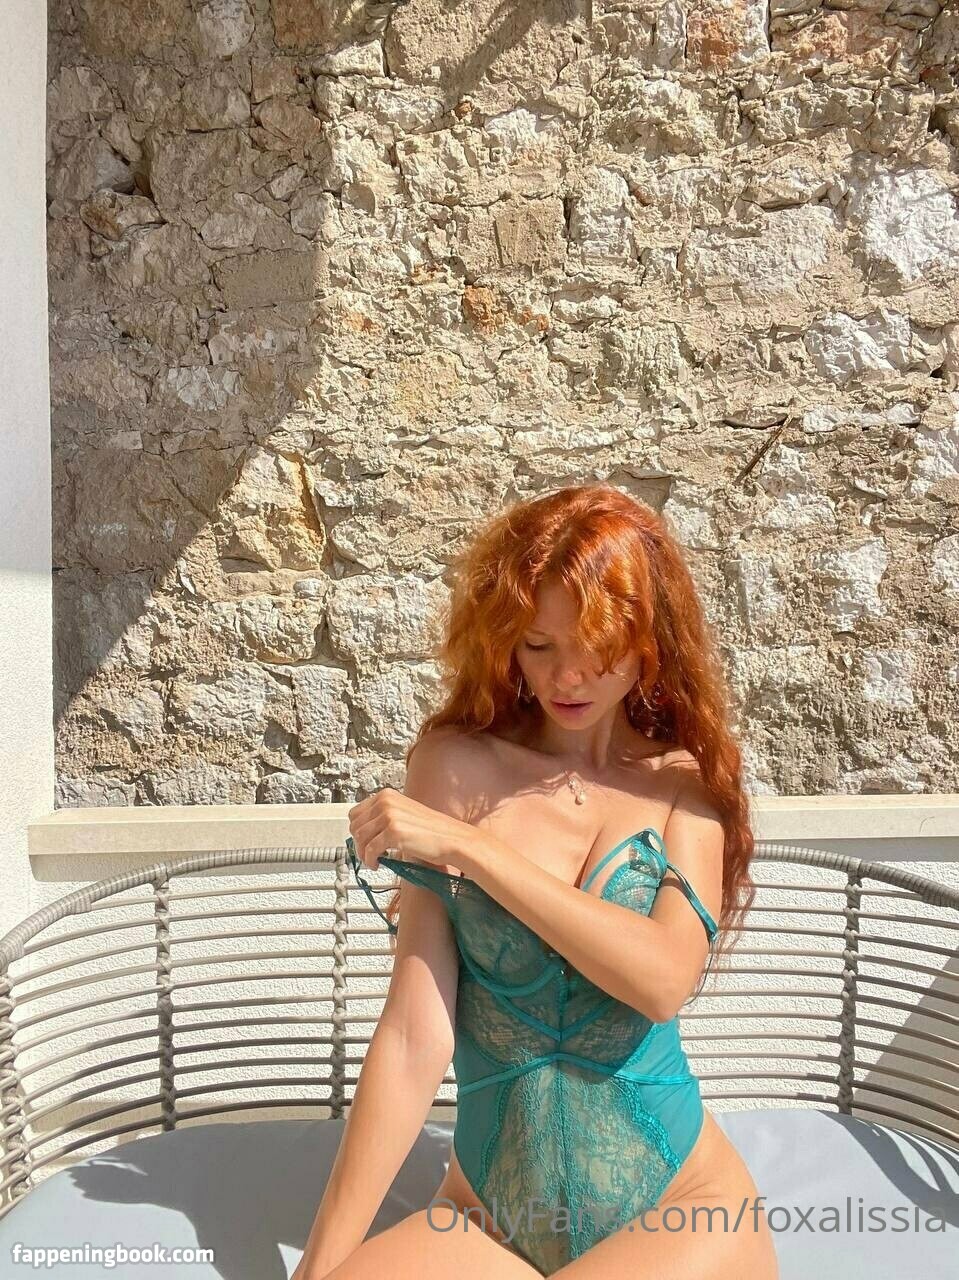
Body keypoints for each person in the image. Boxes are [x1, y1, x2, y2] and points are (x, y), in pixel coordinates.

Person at [292, 483, 779, 1280]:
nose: (568, 676)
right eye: (538, 644)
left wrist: (476, 852)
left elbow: (662, 980)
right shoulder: (453, 767)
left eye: (599, 645)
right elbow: (414, 1036)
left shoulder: (683, 787)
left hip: (681, 1210)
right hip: (490, 1215)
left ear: (649, 642)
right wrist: (317, 1267)